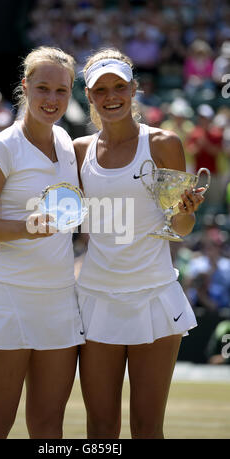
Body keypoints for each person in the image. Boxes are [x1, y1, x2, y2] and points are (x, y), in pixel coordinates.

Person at [73, 48, 204, 439]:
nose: (111, 96)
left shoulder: (164, 143)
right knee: (100, 429)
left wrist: (186, 209)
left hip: (154, 297)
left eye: (119, 86)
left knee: (148, 428)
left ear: (134, 89)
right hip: (95, 299)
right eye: (101, 90)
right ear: (90, 97)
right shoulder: (78, 152)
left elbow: (179, 227)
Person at [0, 46, 85, 439]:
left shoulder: (65, 142)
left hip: (59, 301)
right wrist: (23, 228)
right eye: (42, 88)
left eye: (61, 91)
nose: (51, 99)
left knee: (49, 428)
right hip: (5, 299)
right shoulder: (1, 148)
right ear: (25, 87)